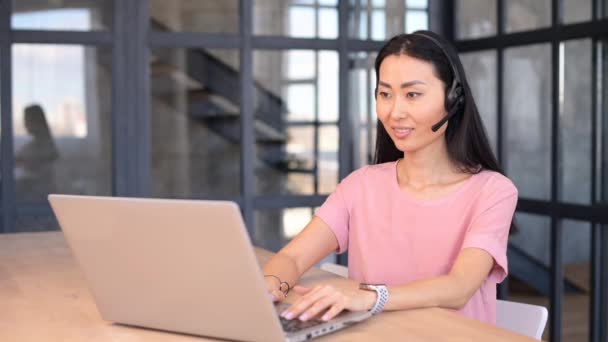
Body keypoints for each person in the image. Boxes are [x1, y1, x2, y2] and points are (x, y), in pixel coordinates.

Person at [262, 30, 518, 326]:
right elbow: (292, 259)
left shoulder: (493, 191)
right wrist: (273, 287)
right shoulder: (361, 186)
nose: (395, 112)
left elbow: (458, 288)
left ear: (453, 98)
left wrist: (371, 297)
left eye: (412, 94)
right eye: (385, 94)